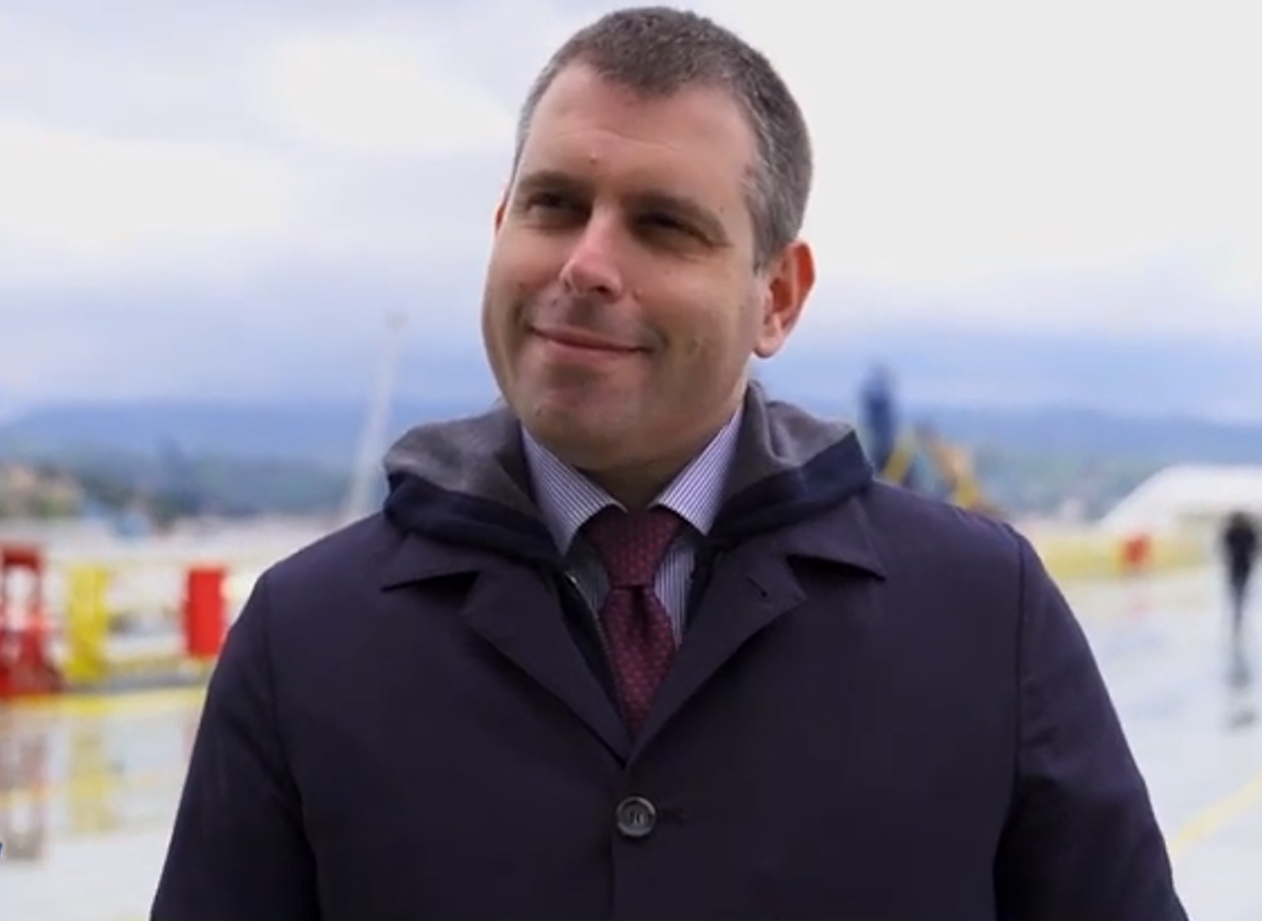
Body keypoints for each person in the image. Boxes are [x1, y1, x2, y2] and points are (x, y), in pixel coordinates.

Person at [150, 6, 1187, 919]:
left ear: (777, 297)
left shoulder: (984, 618)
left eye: (662, 225)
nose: (585, 265)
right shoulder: (303, 640)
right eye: (554, 206)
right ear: (500, 227)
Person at [1221, 509, 1258, 687]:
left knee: (1237, 592)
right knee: (1239, 592)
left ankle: (1238, 615)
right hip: (1242, 566)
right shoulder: (1246, 531)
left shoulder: (1233, 531)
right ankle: (1238, 614)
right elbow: (1255, 548)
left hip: (1237, 566)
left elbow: (1225, 547)